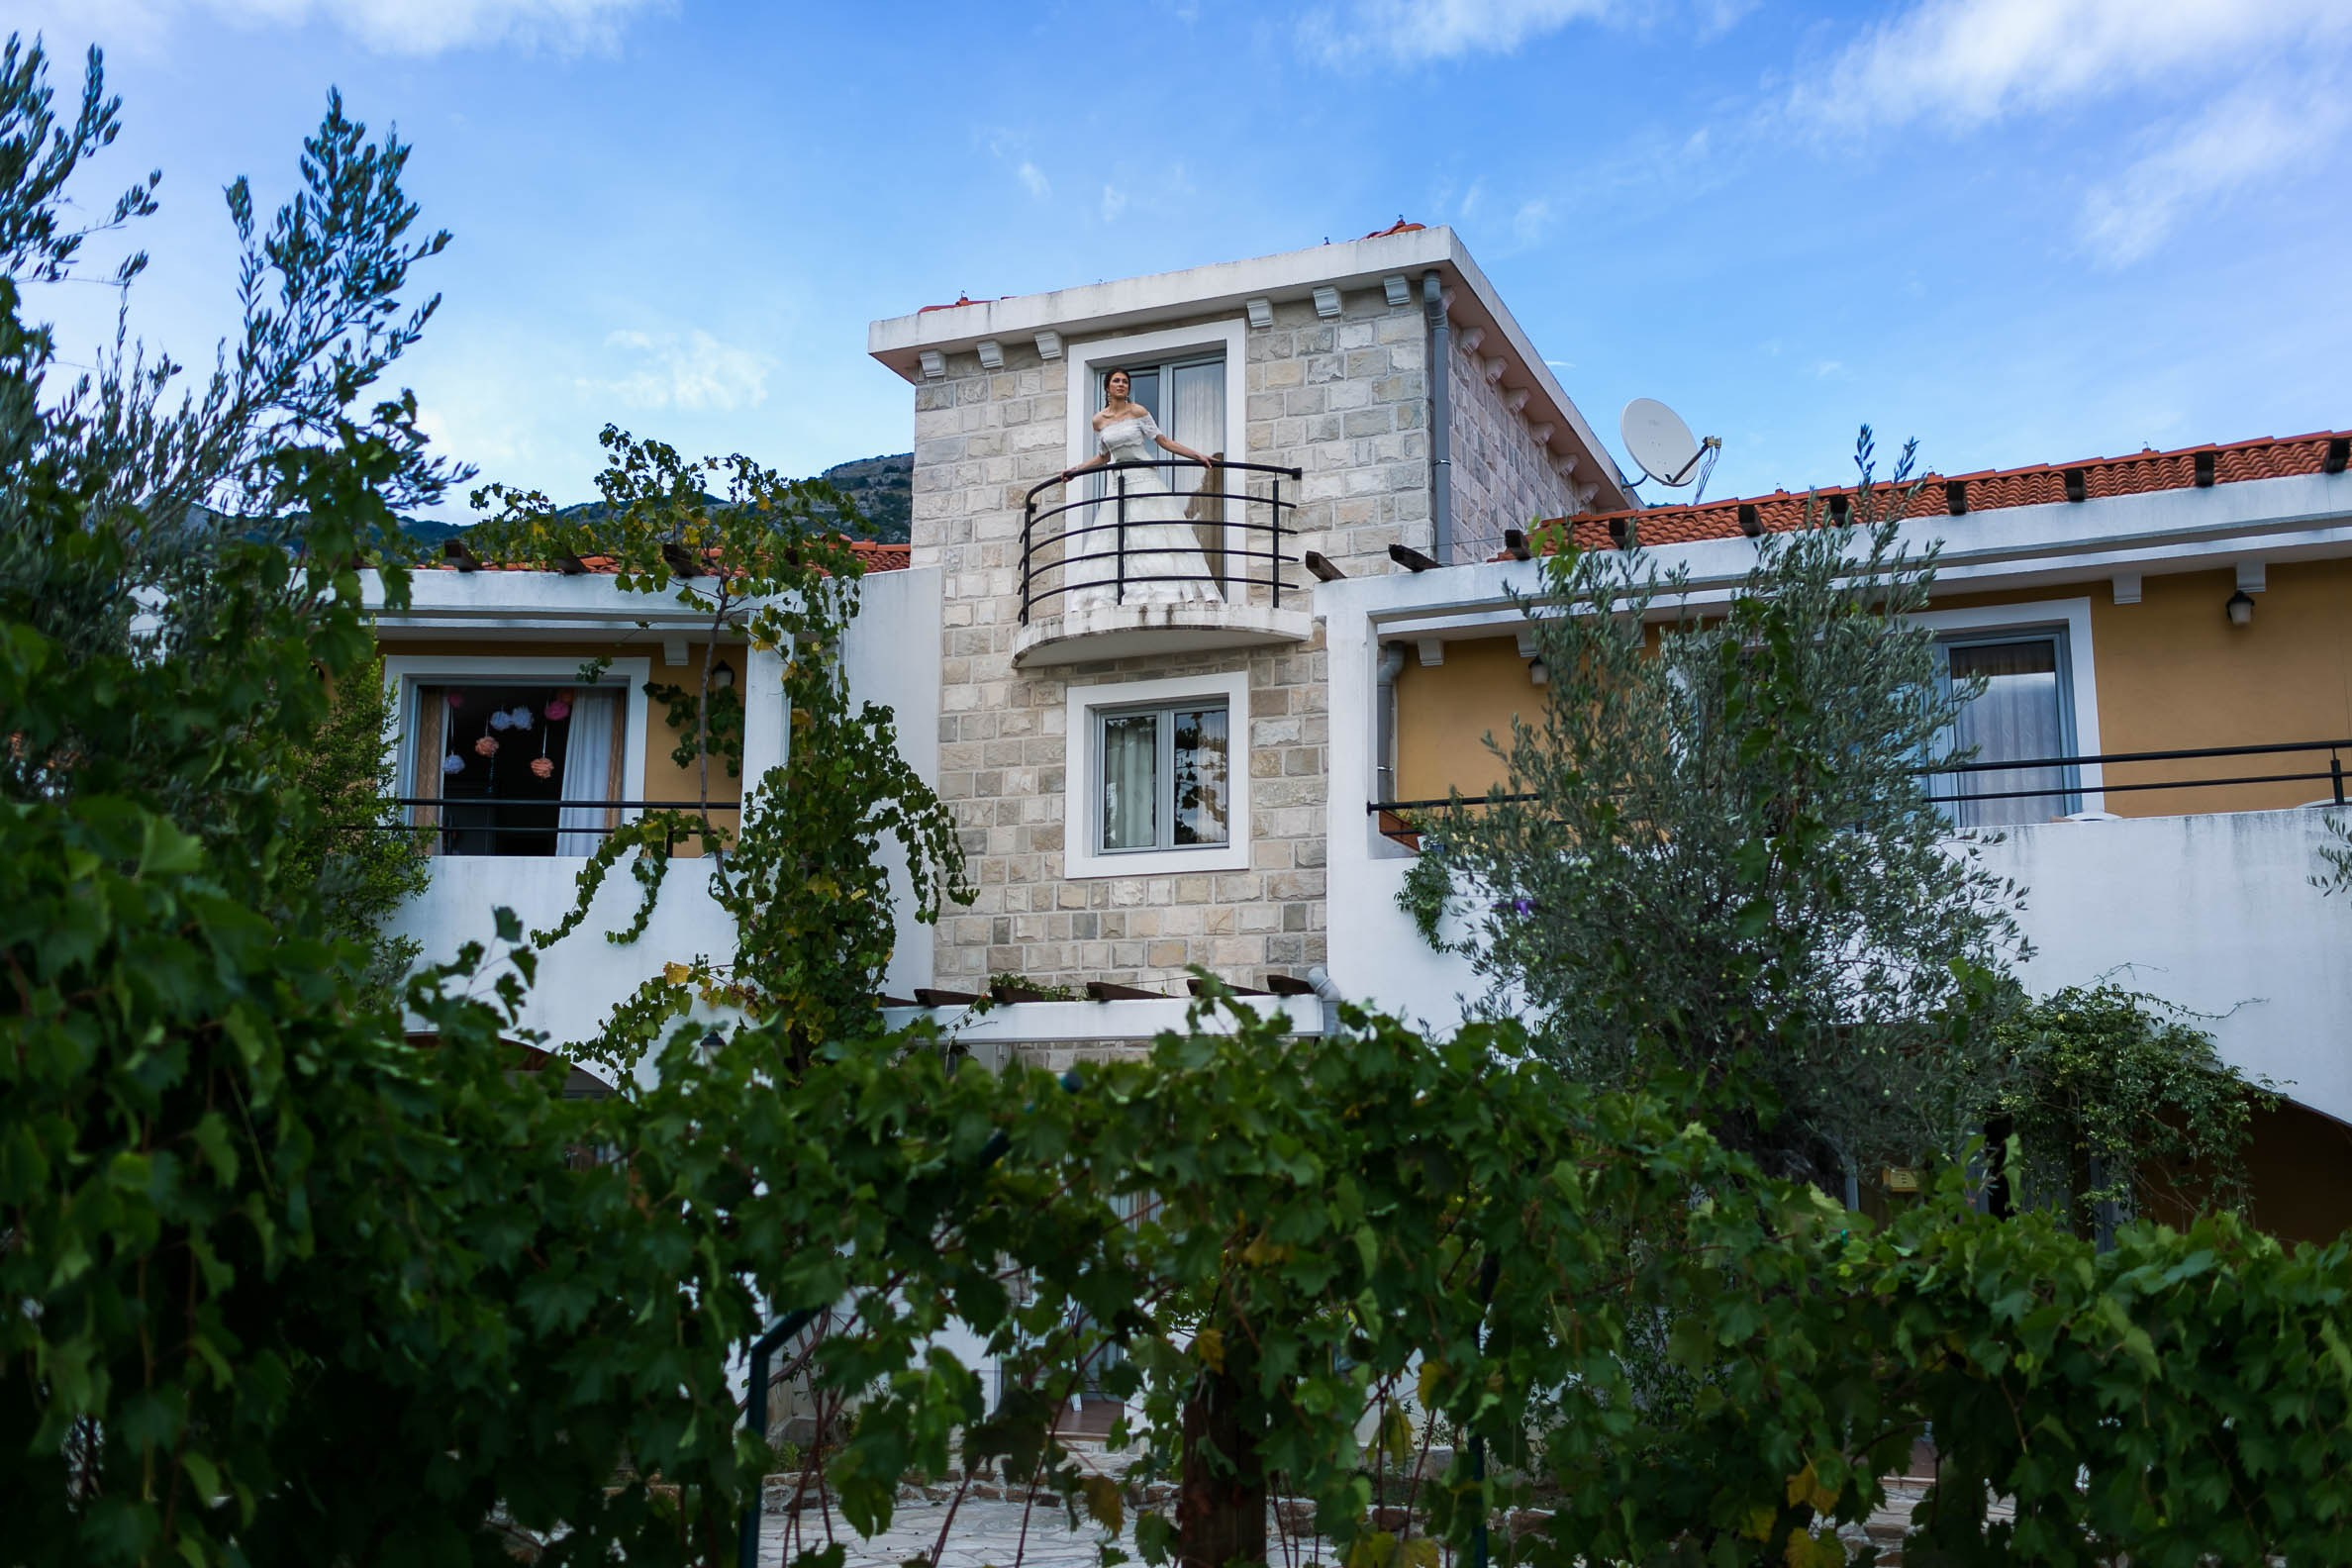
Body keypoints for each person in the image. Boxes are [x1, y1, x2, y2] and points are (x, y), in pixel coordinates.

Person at [1056, 368, 1222, 609]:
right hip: (1119, 483)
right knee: (1117, 537)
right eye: (1116, 381)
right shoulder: (1098, 420)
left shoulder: (1138, 412)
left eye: (1125, 381)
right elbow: (1103, 457)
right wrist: (1076, 470)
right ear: (1107, 387)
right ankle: (1120, 594)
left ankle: (1162, 591)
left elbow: (1164, 442)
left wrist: (1197, 455)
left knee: (1153, 532)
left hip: (1143, 477)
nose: (1121, 385)